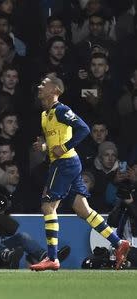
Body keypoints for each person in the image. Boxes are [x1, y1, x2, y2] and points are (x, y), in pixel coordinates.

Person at [29, 75, 130, 271]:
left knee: (48, 206)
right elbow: (55, 143)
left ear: (55, 90)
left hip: (64, 163)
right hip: (67, 163)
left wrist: (64, 146)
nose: (40, 85)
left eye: (44, 83)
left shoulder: (61, 110)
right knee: (83, 210)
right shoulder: (45, 115)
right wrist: (44, 147)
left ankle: (52, 258)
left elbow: (83, 129)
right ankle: (119, 242)